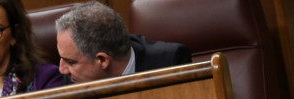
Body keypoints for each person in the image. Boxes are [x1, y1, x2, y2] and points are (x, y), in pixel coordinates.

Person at [55, 1, 192, 84]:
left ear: (102, 60)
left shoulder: (170, 63)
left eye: (71, 62)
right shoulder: (73, 78)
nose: (62, 69)